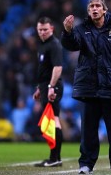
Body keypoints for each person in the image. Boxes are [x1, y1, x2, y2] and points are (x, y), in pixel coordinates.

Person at [61, 0, 111, 174]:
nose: (94, 9)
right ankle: (86, 165)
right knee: (88, 132)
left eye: (97, 6)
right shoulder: (81, 30)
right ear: (88, 11)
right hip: (89, 89)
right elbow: (72, 45)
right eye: (91, 6)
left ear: (104, 10)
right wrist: (67, 31)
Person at [32, 17, 64, 167]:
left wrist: (51, 87)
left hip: (53, 87)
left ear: (52, 29)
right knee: (52, 121)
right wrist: (40, 88)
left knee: (53, 120)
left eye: (45, 29)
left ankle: (55, 158)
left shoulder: (54, 45)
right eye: (40, 30)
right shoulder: (42, 45)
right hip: (46, 86)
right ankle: (55, 158)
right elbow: (44, 69)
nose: (42, 32)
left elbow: (57, 68)